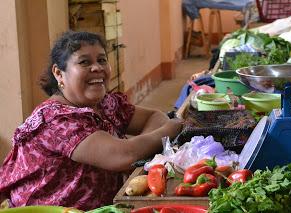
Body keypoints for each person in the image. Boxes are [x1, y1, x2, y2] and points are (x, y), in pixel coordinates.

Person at [0, 31, 183, 211]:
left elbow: (154, 117)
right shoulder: (56, 121)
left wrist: (137, 152)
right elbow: (123, 156)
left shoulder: (105, 104)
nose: (97, 68)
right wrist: (168, 130)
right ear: (58, 73)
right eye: (84, 62)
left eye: (102, 60)